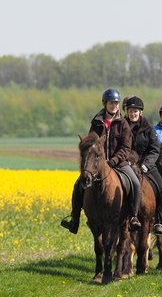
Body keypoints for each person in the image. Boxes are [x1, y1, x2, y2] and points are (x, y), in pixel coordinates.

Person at [60, 88, 141, 234]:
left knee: (135, 183)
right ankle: (74, 219)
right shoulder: (96, 122)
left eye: (116, 103)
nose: (114, 106)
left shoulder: (123, 123)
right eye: (111, 103)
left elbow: (126, 147)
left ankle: (134, 217)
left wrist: (115, 160)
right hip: (98, 165)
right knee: (78, 184)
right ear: (105, 104)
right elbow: (91, 142)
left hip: (119, 163)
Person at [123, 95, 162, 236]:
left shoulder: (149, 129)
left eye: (136, 111)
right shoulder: (122, 126)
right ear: (127, 112)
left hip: (146, 165)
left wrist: (146, 164)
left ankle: (159, 222)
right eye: (130, 111)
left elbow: (155, 150)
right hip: (126, 164)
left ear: (140, 112)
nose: (133, 114)